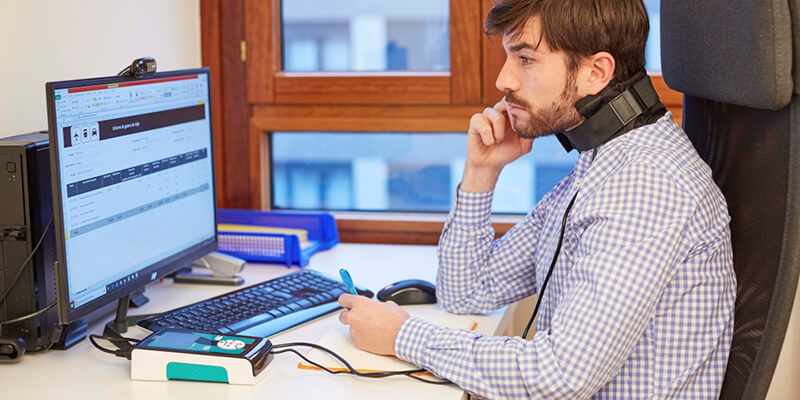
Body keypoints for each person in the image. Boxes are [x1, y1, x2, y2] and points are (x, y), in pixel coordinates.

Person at [337, 0, 736, 398]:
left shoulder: (646, 186)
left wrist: (400, 335)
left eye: (525, 58)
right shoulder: (601, 165)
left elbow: (558, 376)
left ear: (596, 72)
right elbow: (466, 290)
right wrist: (482, 171)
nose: (503, 80)